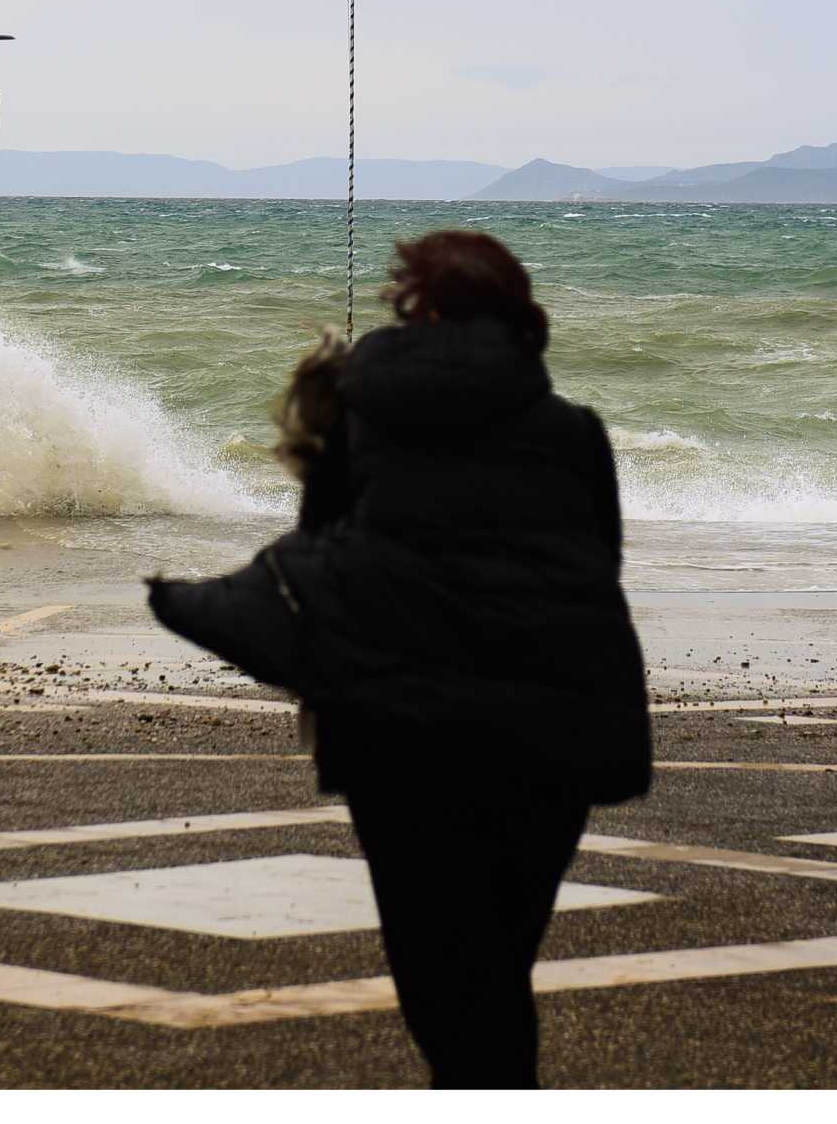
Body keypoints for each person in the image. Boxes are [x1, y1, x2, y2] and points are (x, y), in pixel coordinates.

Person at [151, 229, 650, 1087]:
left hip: (403, 736)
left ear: (414, 309)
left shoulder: (361, 413)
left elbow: (325, 554)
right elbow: (595, 572)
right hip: (549, 739)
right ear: (520, 317)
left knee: (443, 980)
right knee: (498, 966)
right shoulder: (577, 433)